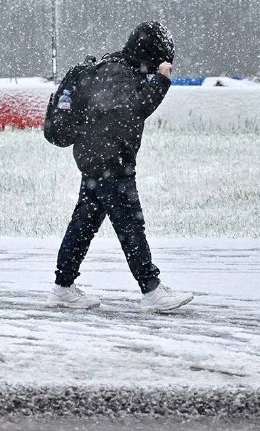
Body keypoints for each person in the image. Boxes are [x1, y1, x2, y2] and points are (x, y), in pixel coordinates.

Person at [46, 21, 194, 313]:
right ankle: (151, 290)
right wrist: (161, 82)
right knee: (130, 226)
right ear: (150, 52)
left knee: (83, 226)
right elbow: (131, 111)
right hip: (111, 163)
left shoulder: (110, 68)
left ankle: (63, 287)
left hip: (94, 162)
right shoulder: (120, 74)